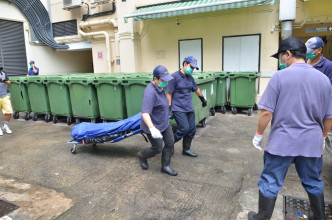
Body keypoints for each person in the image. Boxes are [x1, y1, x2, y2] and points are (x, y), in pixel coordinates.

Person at [249, 37, 332, 220]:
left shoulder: (279, 77)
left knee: (271, 181)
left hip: (281, 143)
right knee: (313, 182)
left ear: (288, 54)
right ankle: (318, 217)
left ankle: (261, 217)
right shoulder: (324, 80)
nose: (281, 61)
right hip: (311, 144)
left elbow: (265, 113)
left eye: (280, 56)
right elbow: (328, 117)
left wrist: (259, 134)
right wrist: (323, 136)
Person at [137, 65, 178, 176]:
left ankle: (165, 166)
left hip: (164, 123)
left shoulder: (160, 87)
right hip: (154, 126)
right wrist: (152, 128)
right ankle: (141, 155)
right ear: (155, 79)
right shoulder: (149, 92)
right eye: (163, 80)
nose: (166, 83)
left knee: (170, 143)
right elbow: (145, 113)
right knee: (157, 148)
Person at [167, 56, 207, 157]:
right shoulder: (174, 77)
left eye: (193, 68)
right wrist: (169, 107)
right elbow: (169, 94)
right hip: (178, 107)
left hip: (189, 107)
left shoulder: (190, 78)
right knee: (184, 128)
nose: (192, 70)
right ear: (185, 64)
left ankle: (186, 149)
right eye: (191, 67)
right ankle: (169, 144)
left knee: (192, 129)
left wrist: (202, 99)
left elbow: (196, 88)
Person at [0, 67, 13, 135]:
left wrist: (4, 80)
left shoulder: (3, 73)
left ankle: (5, 126)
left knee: (9, 111)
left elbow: (9, 83)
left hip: (4, 95)